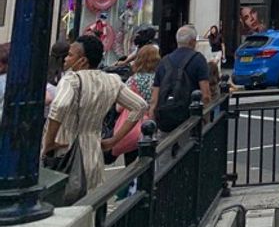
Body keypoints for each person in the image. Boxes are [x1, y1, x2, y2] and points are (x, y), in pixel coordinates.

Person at [41, 34, 148, 193]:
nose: (65, 59)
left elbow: (60, 105)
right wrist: (113, 140)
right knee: (91, 200)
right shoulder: (111, 80)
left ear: (82, 60)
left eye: (70, 55)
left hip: (64, 150)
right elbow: (139, 106)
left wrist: (49, 142)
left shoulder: (72, 80)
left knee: (60, 200)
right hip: (94, 149)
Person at [149, 24, 210, 132]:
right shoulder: (198, 59)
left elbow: (154, 99)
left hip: (165, 121)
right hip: (189, 120)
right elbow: (205, 95)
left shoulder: (164, 62)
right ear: (192, 42)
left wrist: (152, 124)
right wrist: (206, 121)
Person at [120, 44, 160, 166]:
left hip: (133, 125)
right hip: (153, 123)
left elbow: (119, 106)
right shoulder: (159, 79)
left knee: (131, 165)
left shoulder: (133, 80)